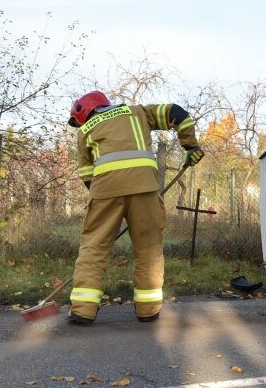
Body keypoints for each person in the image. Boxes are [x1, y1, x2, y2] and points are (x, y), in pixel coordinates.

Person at [67, 91, 204, 324]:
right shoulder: (138, 112)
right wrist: (190, 146)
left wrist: (108, 204)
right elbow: (178, 114)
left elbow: (87, 175)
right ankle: (148, 310)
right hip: (144, 188)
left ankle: (83, 311)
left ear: (87, 113)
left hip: (105, 191)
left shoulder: (85, 131)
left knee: (94, 247)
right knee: (148, 247)